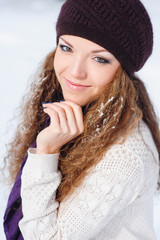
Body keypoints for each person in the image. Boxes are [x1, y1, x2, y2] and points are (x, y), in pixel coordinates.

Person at [3, 0, 160, 239]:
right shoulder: (71, 110)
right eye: (66, 48)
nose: (75, 71)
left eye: (99, 59)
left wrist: (46, 152)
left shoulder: (124, 155)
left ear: (123, 70)